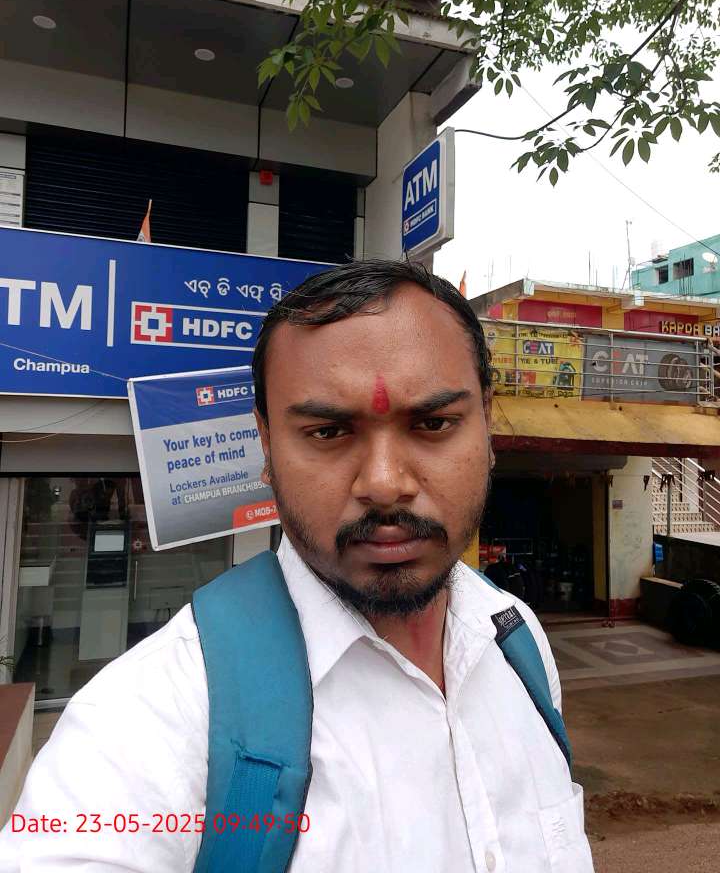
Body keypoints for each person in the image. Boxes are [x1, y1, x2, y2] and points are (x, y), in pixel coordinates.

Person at [0, 260, 594, 872]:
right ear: (265, 443)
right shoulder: (146, 721)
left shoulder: (515, 640)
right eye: (329, 432)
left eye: (433, 423)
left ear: (488, 424)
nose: (384, 484)